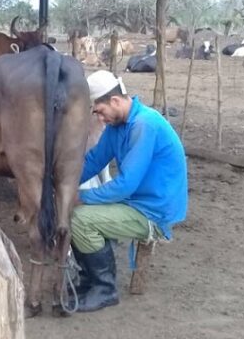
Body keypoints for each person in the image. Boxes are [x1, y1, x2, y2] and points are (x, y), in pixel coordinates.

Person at [70, 69, 188, 312]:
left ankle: (105, 289)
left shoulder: (144, 125)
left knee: (80, 219)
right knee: (71, 212)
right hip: (136, 202)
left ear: (114, 101)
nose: (100, 119)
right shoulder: (119, 127)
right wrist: (63, 184)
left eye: (100, 112)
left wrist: (80, 197)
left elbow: (125, 185)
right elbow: (93, 161)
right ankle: (88, 282)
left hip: (153, 212)